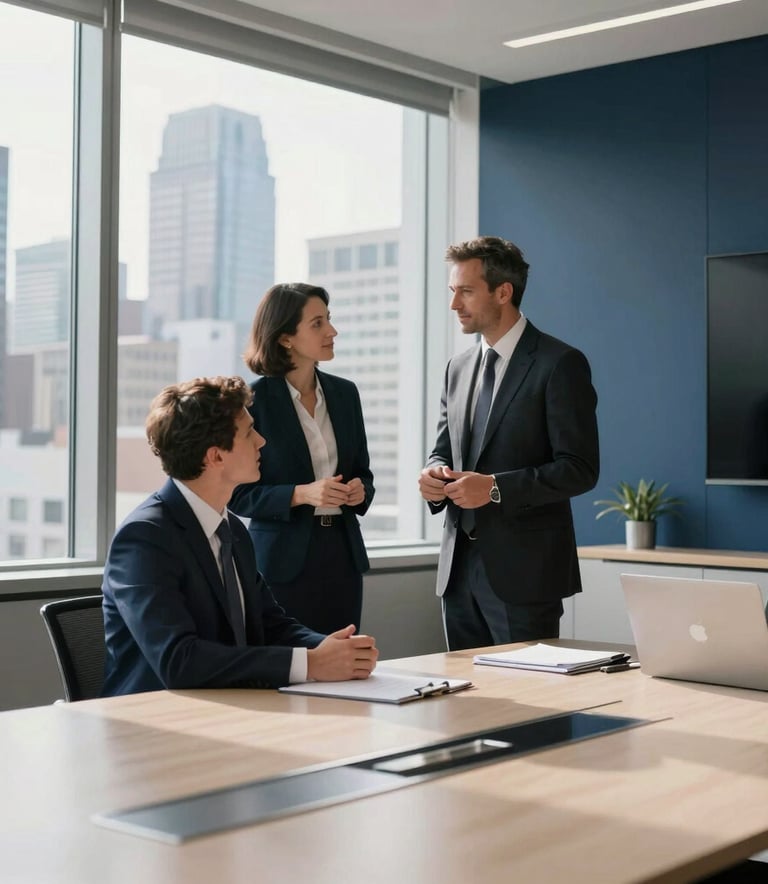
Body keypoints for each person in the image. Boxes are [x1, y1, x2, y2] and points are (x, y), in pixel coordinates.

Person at [101, 375, 378, 697]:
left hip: (227, 704)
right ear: (216, 456)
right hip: (153, 721)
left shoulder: (231, 529)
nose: (261, 441)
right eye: (249, 432)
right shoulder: (145, 538)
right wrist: (310, 664)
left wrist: (333, 650)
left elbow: (271, 623)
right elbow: (179, 660)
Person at [418, 236, 599, 651]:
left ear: (503, 292)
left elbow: (579, 468)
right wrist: (433, 473)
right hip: (458, 572)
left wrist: (495, 487)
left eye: (465, 291)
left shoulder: (560, 363)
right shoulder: (457, 367)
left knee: (534, 708)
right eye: (452, 291)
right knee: (467, 710)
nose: (454, 305)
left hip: (525, 576)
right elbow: (444, 449)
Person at [228, 283, 374, 634]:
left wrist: (359, 491)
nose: (332, 331)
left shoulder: (345, 394)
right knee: (289, 668)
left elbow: (363, 473)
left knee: (343, 664)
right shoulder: (252, 401)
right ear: (285, 338)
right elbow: (235, 495)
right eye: (317, 323)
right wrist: (301, 494)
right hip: (281, 564)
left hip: (343, 557)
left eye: (329, 320)